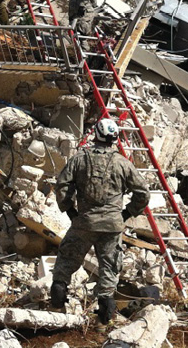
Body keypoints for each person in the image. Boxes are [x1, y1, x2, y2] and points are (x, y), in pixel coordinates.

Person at [52, 118, 149, 327]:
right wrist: (125, 214)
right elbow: (143, 193)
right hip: (112, 226)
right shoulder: (123, 163)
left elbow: (61, 186)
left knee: (65, 264)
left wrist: (70, 211)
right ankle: (102, 325)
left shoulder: (79, 159)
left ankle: (56, 312)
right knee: (109, 270)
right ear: (114, 138)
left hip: (84, 223)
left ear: (96, 134)